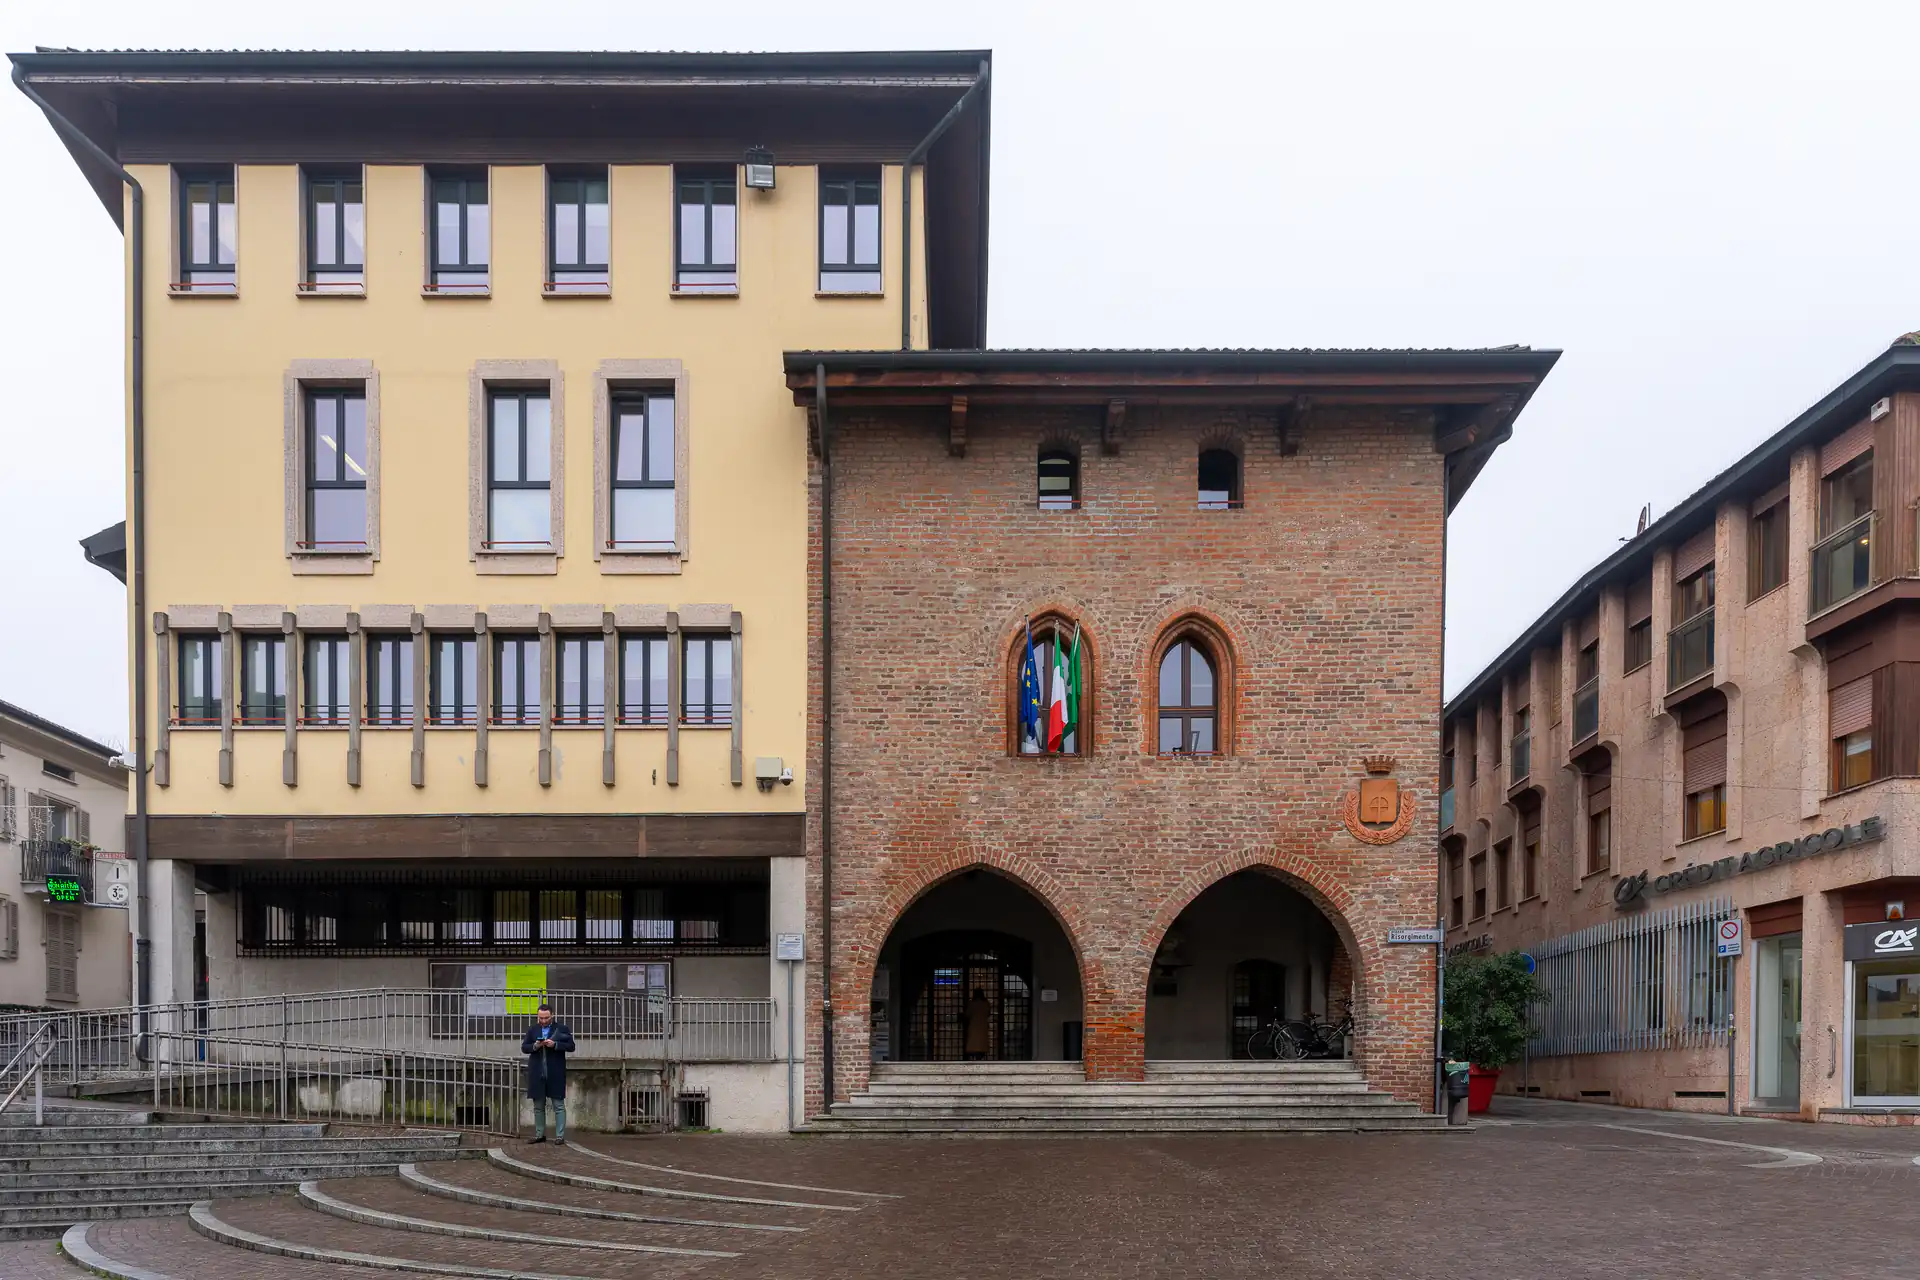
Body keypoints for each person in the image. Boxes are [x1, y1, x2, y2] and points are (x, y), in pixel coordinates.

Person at [521, 1001, 575, 1144]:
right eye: (541, 1018)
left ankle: (560, 1136)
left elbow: (571, 1046)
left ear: (552, 1016)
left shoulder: (561, 1028)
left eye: (546, 1018)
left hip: (555, 1071)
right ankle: (539, 1134)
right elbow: (524, 1047)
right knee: (538, 1105)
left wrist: (555, 1045)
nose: (543, 1021)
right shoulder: (533, 1030)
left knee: (558, 1105)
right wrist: (535, 1045)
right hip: (537, 1071)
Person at [963, 987, 992, 1060]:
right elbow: (988, 1013)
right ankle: (980, 1055)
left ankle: (973, 1055)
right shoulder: (986, 1003)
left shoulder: (972, 1004)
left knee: (973, 1042)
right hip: (983, 1026)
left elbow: (967, 1014)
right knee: (982, 1042)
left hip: (973, 1025)